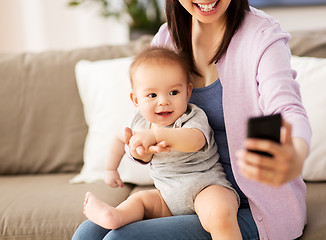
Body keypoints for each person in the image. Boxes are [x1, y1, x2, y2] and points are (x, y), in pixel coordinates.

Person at [73, 1, 312, 240]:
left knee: (122, 238)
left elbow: (285, 108)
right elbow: (150, 123)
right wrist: (141, 151)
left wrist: (295, 151)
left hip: (251, 205)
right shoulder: (167, 40)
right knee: (88, 234)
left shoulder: (261, 35)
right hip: (182, 194)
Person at [81, 47, 242, 240]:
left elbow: (195, 140)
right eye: (152, 95)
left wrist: (157, 135)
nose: (164, 101)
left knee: (220, 214)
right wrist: (111, 168)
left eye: (174, 92)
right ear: (135, 99)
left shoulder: (192, 116)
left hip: (205, 187)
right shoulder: (138, 123)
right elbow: (119, 138)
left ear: (188, 91)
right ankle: (116, 216)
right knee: (140, 200)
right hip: (166, 195)